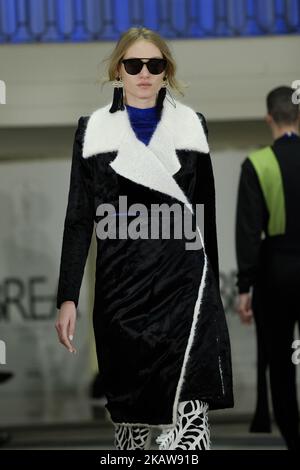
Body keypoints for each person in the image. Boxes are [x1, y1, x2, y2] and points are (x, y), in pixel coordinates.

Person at [55, 27, 233, 450]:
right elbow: (79, 219)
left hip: (182, 289)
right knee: (132, 431)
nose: (144, 74)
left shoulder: (191, 126)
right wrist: (67, 298)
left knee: (188, 430)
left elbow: (204, 215)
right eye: (134, 64)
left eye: (155, 65)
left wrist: (213, 294)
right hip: (122, 294)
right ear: (119, 69)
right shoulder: (93, 130)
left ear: (166, 71)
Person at [235, 86, 300, 450]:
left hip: (275, 272)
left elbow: (247, 232)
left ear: (269, 119)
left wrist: (245, 287)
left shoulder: (257, 164)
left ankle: (293, 438)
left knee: (280, 360)